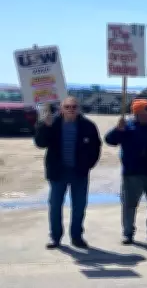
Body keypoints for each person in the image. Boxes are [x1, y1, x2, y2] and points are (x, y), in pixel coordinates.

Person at [34, 96, 101, 249]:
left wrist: (88, 165)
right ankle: (55, 237)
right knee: (55, 206)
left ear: (78, 108)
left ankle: (77, 237)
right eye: (67, 107)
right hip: (58, 173)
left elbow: (96, 147)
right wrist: (46, 126)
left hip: (79, 173)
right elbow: (40, 143)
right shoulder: (52, 123)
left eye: (74, 107)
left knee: (79, 206)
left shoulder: (88, 125)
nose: (71, 110)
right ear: (61, 108)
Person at [105, 98, 147, 245]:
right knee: (129, 205)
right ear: (136, 112)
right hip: (132, 173)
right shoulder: (127, 127)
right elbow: (109, 140)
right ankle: (128, 233)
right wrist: (117, 130)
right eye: (145, 110)